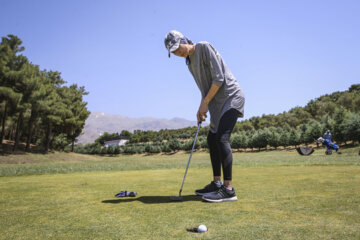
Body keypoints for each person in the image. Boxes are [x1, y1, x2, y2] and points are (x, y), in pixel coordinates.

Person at [164, 30, 245, 203]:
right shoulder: (189, 63)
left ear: (184, 40)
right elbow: (205, 87)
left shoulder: (203, 47)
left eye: (178, 48)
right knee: (212, 139)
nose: (178, 53)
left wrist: (205, 102)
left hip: (231, 98)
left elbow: (219, 79)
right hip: (216, 104)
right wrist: (201, 107)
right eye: (174, 52)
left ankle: (229, 190)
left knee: (222, 138)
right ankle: (217, 184)